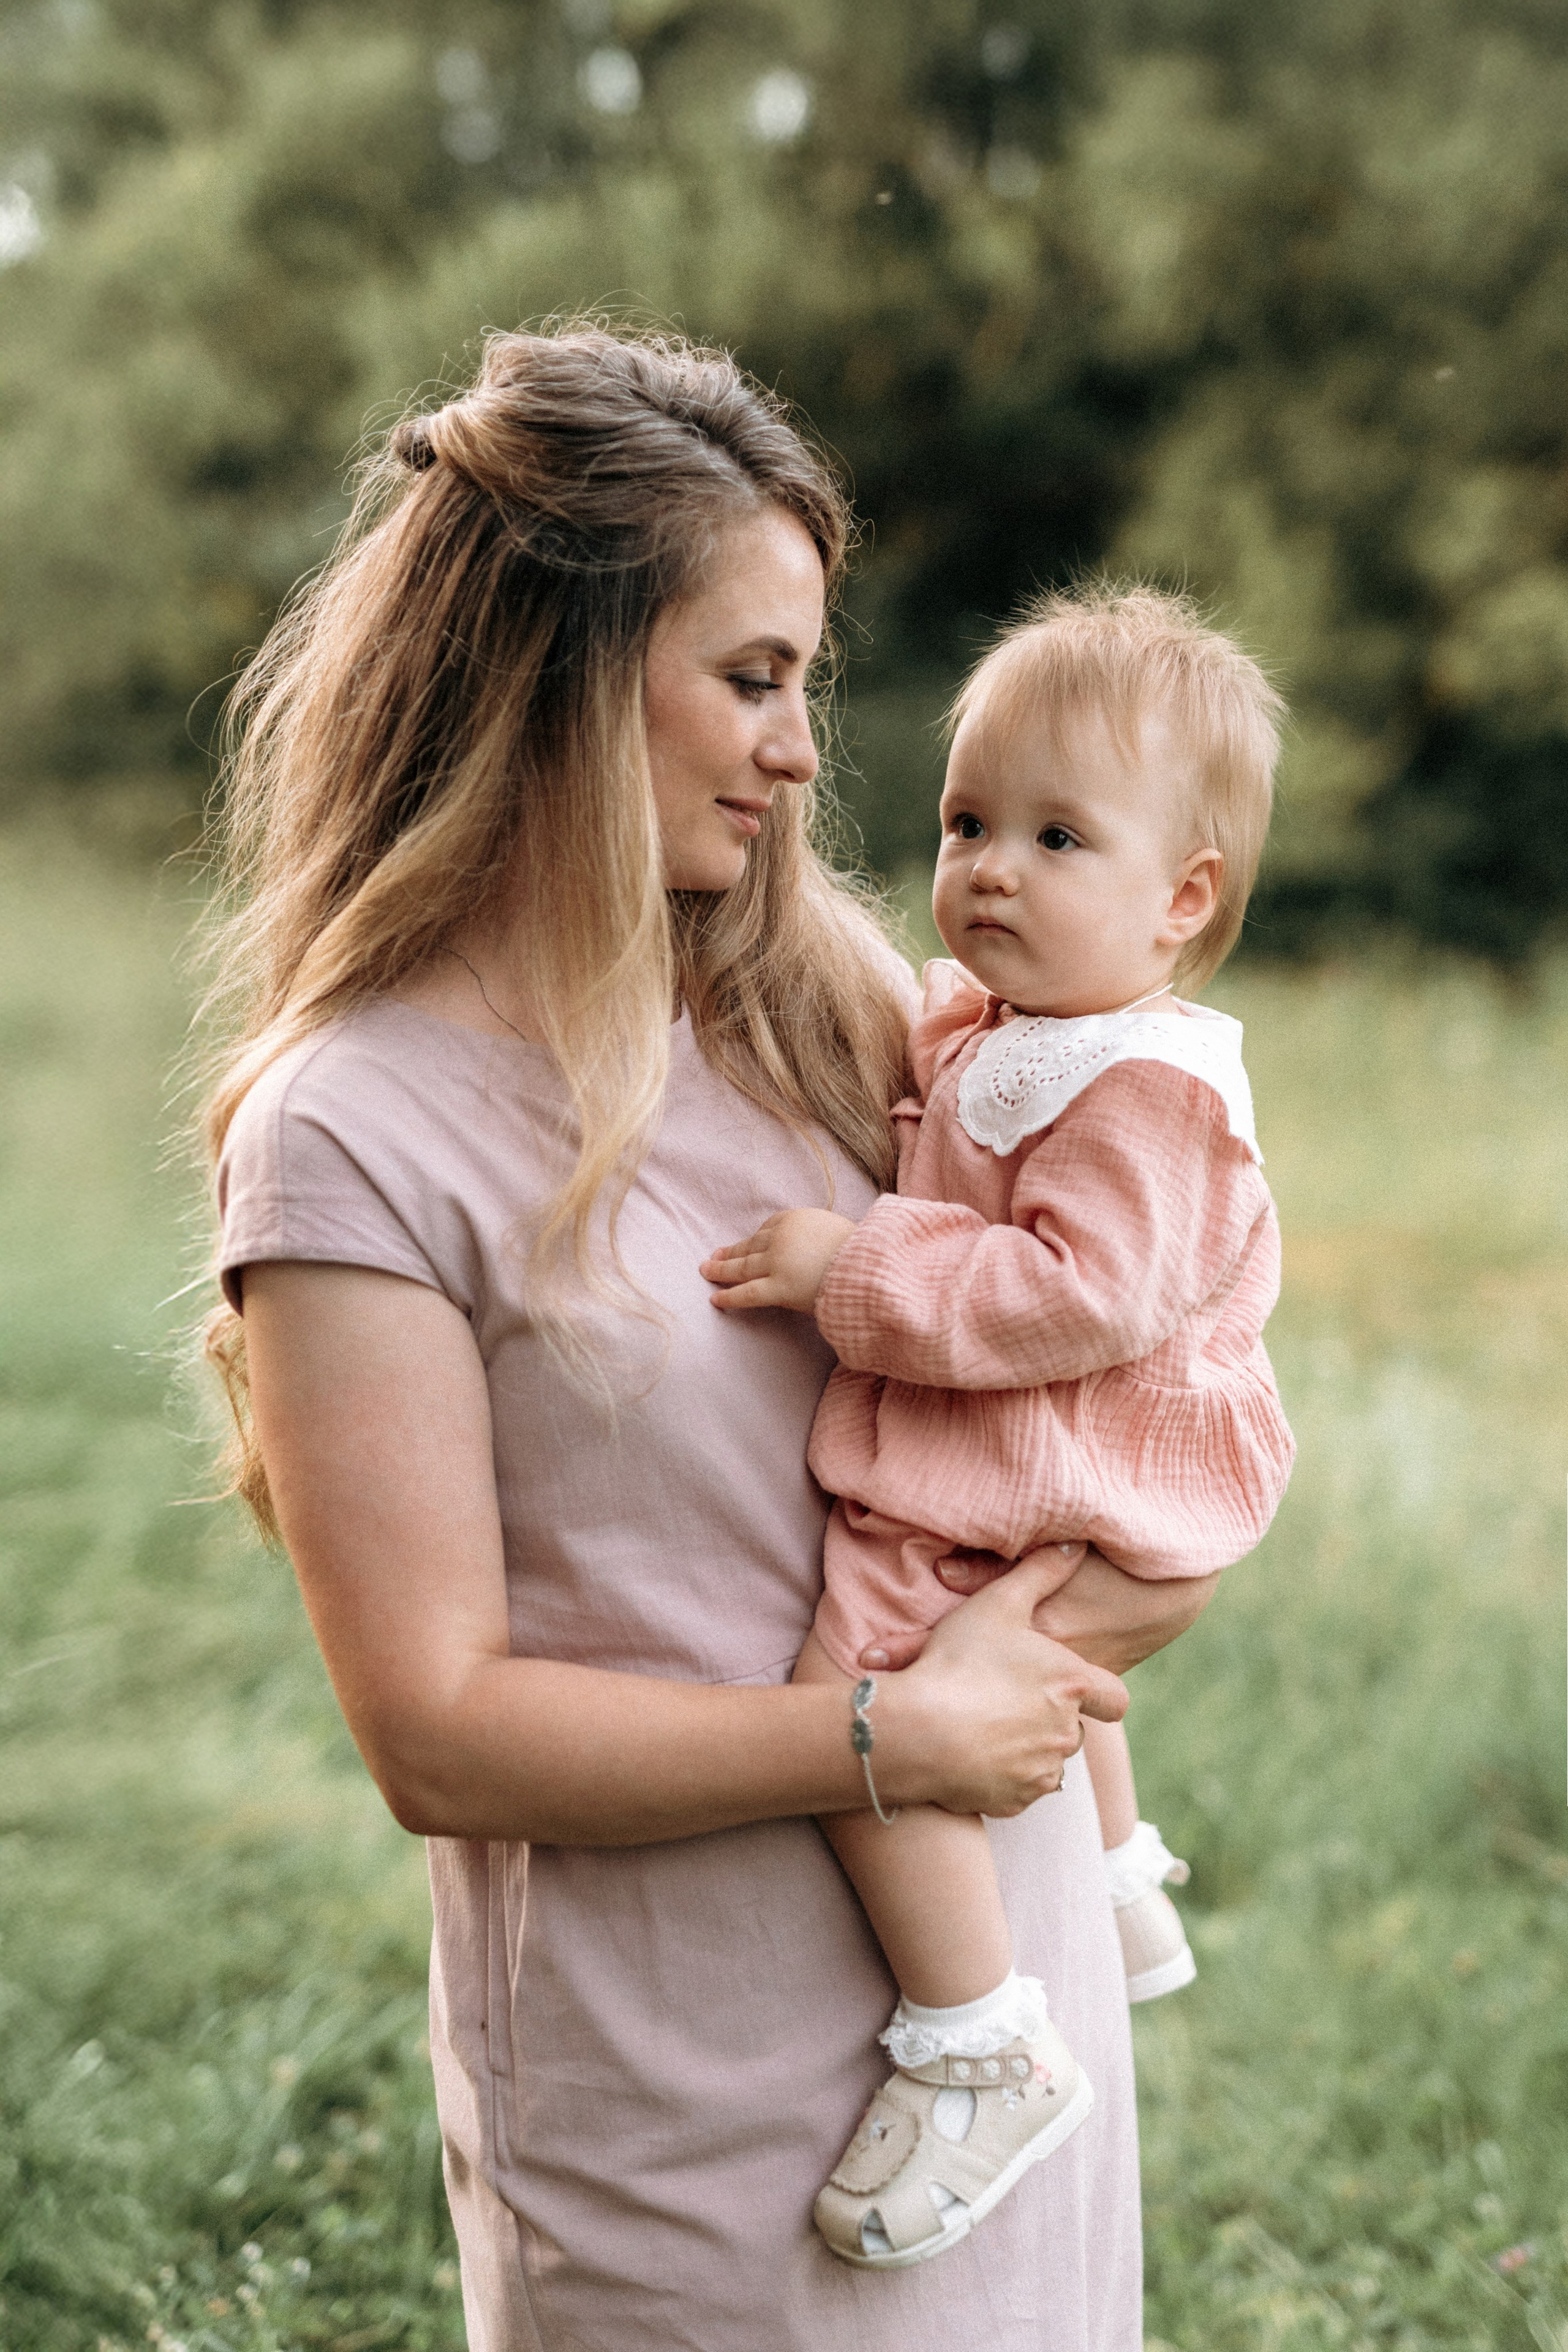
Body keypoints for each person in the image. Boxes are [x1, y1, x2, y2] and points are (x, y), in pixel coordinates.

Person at [202, 325, 1216, 2352]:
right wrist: (887, 1731)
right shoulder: (353, 1129)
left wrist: (1084, 1622)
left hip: (1005, 2035)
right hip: (685, 2116)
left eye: (805, 683)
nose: (798, 749)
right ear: (560, 681)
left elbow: (1133, 1360)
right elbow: (436, 1729)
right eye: (750, 679)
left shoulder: (837, 1013)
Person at [704, 586, 1295, 2266]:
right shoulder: (1022, 1023)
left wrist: (855, 1269)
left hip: (1089, 1455)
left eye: (1056, 837)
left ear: (1182, 900)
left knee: (859, 1694)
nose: (990, 870)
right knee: (1016, 1630)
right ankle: (1111, 1877)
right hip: (1080, 1460)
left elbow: (1076, 1296)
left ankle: (976, 2037)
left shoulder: (1148, 1091)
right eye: (971, 822)